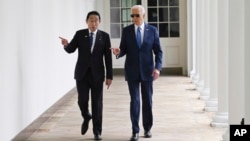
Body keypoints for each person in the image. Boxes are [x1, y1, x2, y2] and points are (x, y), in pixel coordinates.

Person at [111, 5, 163, 141]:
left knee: (147, 101)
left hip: (148, 72)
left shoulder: (152, 30)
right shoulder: (127, 31)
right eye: (132, 16)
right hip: (132, 71)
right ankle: (135, 131)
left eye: (137, 15)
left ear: (143, 16)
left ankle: (147, 128)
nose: (134, 18)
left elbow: (159, 52)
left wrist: (157, 68)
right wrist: (118, 52)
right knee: (134, 101)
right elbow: (123, 49)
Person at [59, 11, 113, 140]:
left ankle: (97, 132)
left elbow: (108, 58)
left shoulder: (104, 36)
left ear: (99, 22)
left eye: (96, 20)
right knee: (82, 100)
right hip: (81, 74)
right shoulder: (80, 34)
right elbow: (71, 49)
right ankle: (86, 115)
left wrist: (109, 76)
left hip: (97, 75)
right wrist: (66, 45)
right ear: (86, 21)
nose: (93, 23)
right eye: (91, 20)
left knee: (97, 103)